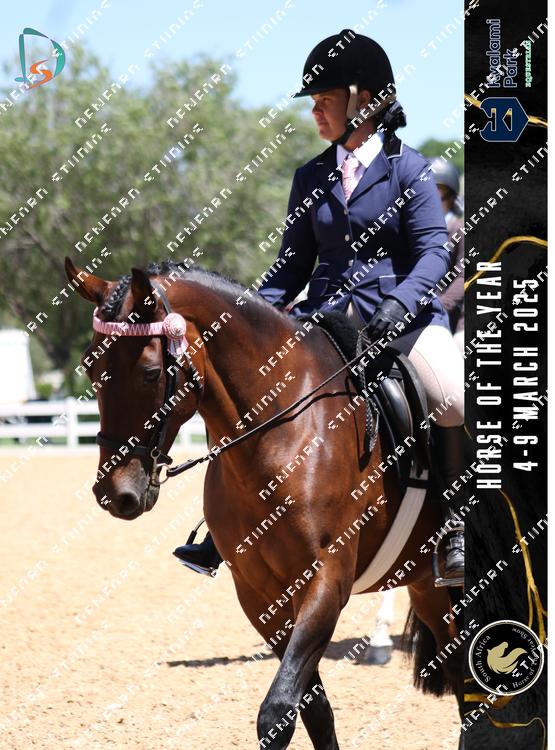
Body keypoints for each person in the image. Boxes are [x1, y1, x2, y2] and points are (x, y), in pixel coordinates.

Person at [174, 30, 465, 584]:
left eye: (325, 100)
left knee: (452, 396)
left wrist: (400, 303)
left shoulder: (410, 169)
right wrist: (245, 320)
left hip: (402, 319)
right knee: (247, 384)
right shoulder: (310, 176)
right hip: (324, 319)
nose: (315, 111)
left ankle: (455, 527)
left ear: (364, 100)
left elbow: (433, 252)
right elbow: (291, 267)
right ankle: (223, 525)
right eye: (313, 101)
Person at [429, 157, 464, 353]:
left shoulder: (460, 230)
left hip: (456, 318)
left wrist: (439, 305)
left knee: (460, 345)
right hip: (421, 313)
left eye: (437, 197)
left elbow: (462, 276)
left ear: (451, 198)